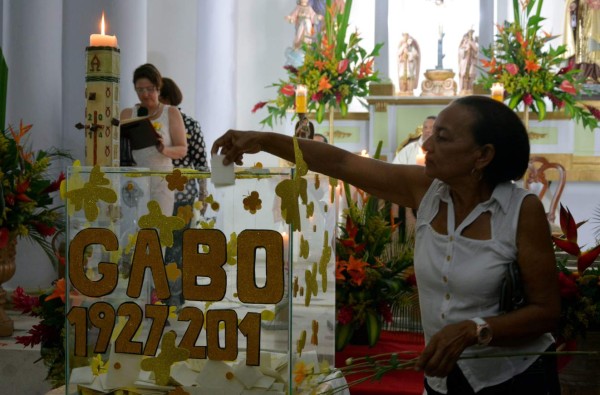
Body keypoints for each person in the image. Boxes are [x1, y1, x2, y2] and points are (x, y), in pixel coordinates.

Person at [212, 96, 561, 394]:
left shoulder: (520, 211)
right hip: (444, 380)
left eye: (442, 138)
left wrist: (477, 329)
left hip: (512, 377)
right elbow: (340, 162)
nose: (425, 147)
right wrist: (263, 140)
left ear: (482, 155)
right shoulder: (425, 190)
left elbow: (546, 311)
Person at [159, 77, 208, 306]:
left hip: (181, 196)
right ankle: (165, 298)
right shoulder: (152, 123)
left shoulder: (187, 124)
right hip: (159, 194)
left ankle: (173, 299)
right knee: (167, 247)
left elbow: (201, 164)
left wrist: (203, 196)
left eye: (157, 95)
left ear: (167, 98)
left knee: (176, 247)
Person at [120, 64, 187, 213]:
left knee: (159, 228)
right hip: (134, 179)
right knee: (134, 228)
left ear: (158, 88)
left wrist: (164, 149)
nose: (145, 94)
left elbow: (182, 149)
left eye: (149, 89)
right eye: (140, 90)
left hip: (161, 180)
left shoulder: (171, 112)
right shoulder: (127, 114)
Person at [458, 29, 479, 94]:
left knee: (471, 75)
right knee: (464, 75)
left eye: (467, 39)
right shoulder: (462, 47)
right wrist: (466, 50)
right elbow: (461, 54)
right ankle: (464, 89)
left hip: (472, 62)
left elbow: (476, 50)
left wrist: (471, 43)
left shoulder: (472, 44)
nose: (466, 41)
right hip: (464, 62)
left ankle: (470, 89)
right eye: (465, 39)